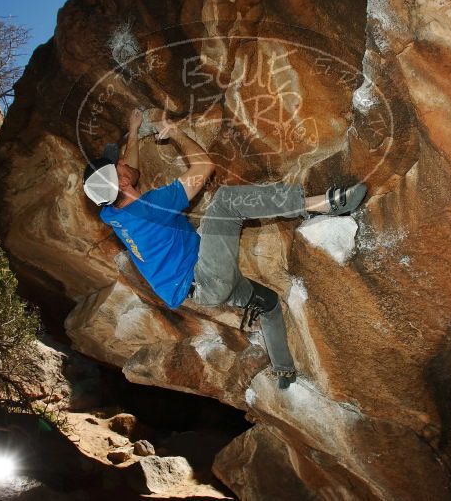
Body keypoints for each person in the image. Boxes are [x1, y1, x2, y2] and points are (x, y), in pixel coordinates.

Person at [83, 109, 367, 389]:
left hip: (200, 287)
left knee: (268, 304)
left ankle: (284, 370)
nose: (123, 160)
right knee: (226, 203)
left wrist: (133, 131)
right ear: (121, 181)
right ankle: (322, 205)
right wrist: (175, 132)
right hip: (206, 275)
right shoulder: (151, 208)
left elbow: (125, 173)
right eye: (119, 164)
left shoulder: (112, 213)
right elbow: (203, 167)